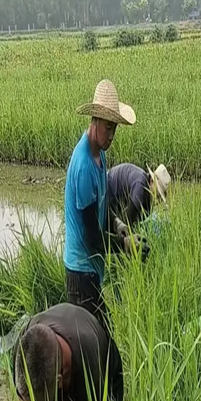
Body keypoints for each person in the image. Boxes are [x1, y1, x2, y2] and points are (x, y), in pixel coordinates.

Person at [64, 80, 136, 330]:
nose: (112, 135)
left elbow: (103, 207)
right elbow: (93, 238)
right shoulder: (84, 165)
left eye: (115, 128)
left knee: (100, 341)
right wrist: (125, 246)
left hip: (91, 269)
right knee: (100, 345)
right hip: (81, 272)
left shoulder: (100, 154)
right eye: (108, 127)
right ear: (94, 121)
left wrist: (118, 225)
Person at [108, 163, 171, 230]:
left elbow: (135, 221)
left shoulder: (147, 202)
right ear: (152, 181)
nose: (158, 200)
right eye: (158, 195)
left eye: (160, 198)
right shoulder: (140, 183)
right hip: (105, 189)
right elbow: (128, 218)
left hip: (115, 202)